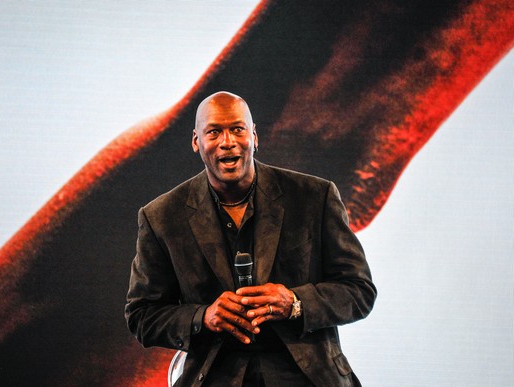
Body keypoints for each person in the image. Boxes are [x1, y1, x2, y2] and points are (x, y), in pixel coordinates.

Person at [125, 91, 376, 386]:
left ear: (254, 136)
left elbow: (359, 291)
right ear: (196, 141)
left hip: (309, 377)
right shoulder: (161, 217)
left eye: (237, 129)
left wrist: (295, 302)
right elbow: (142, 315)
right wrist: (203, 317)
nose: (227, 141)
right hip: (216, 376)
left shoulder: (314, 197)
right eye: (214, 132)